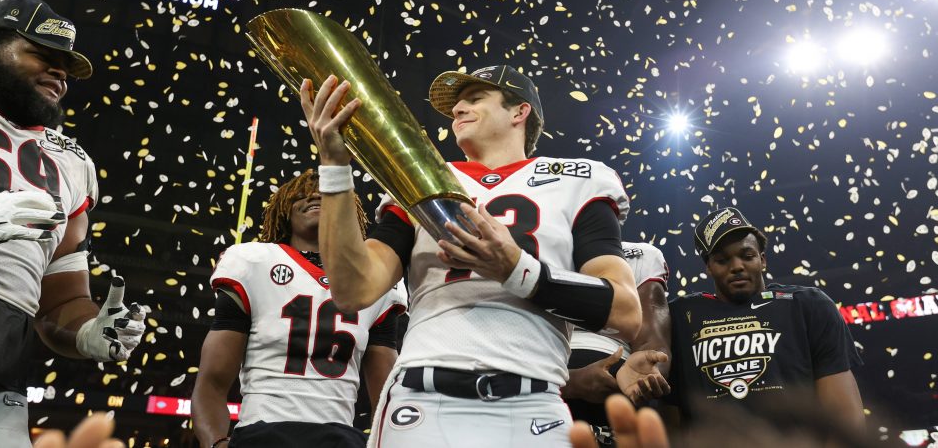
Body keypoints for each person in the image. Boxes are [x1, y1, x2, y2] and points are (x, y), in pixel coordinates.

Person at [300, 64, 642, 447]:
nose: (458, 109)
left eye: (475, 98)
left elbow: (626, 311)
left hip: (536, 402)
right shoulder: (421, 178)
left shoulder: (578, 179)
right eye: (456, 104)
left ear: (519, 111)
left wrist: (517, 270)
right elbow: (352, 289)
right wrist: (334, 166)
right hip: (423, 397)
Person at [0, 0, 146, 447]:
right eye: (42, 54)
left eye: (66, 68)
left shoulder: (72, 163)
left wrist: (89, 330)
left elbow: (60, 301)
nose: (59, 73)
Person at [191, 169, 406, 448]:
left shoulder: (378, 281)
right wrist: (217, 443)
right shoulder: (253, 261)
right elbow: (212, 381)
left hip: (339, 437)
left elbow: (385, 395)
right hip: (264, 431)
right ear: (283, 211)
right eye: (301, 196)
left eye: (327, 193)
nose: (315, 195)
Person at [661, 206, 865, 434]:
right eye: (722, 260)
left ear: (763, 259)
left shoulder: (808, 305)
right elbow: (670, 414)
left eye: (747, 256)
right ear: (708, 267)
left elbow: (845, 417)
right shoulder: (679, 316)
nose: (737, 266)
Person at [562, 242, 671, 446]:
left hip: (619, 393)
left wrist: (647, 375)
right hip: (546, 389)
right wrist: (572, 383)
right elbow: (509, 357)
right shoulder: (537, 251)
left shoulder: (641, 256)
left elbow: (653, 343)